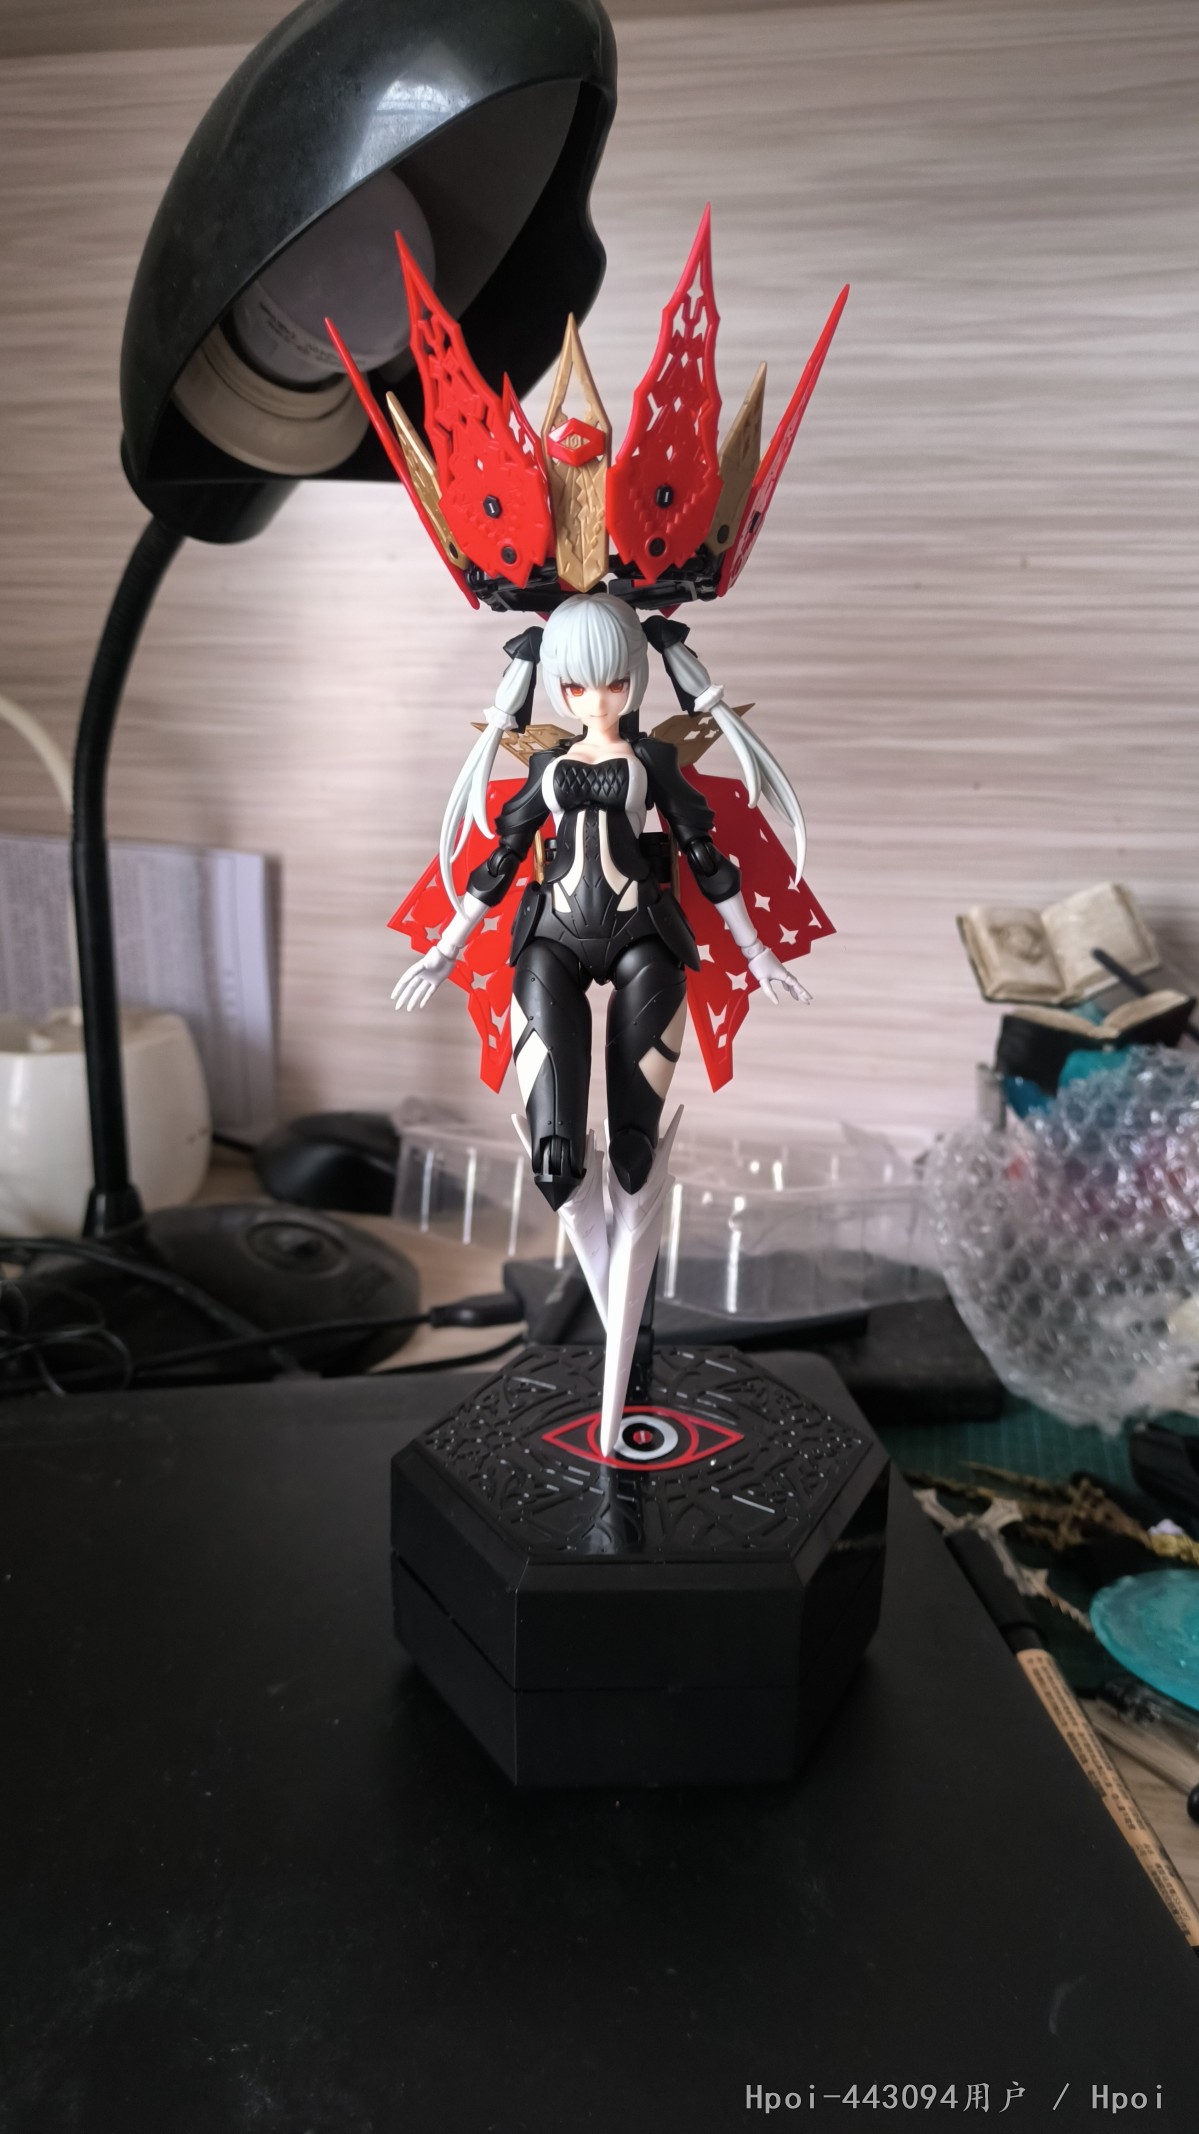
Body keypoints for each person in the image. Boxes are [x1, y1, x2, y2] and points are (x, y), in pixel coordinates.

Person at [393, 591, 811, 1452]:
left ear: (636, 679)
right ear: (556, 685)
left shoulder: (653, 759)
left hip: (641, 939)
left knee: (630, 1157)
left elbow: (706, 857)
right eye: (578, 685)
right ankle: (617, 1366)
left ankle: (620, 1388)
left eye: (614, 682)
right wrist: (442, 950)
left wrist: (758, 952)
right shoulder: (547, 766)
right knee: (555, 1162)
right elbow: (498, 861)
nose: (596, 699)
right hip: (549, 941)